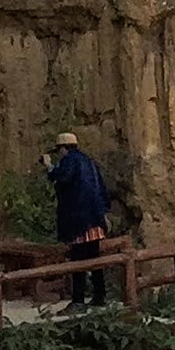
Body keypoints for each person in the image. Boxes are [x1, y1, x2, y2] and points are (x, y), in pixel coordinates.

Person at [45, 131, 112, 307]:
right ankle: (100, 296)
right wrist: (103, 213)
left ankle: (78, 300)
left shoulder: (70, 161)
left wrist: (50, 167)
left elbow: (63, 178)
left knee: (78, 261)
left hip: (79, 221)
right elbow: (102, 189)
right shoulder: (89, 162)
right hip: (95, 219)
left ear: (63, 148)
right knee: (95, 260)